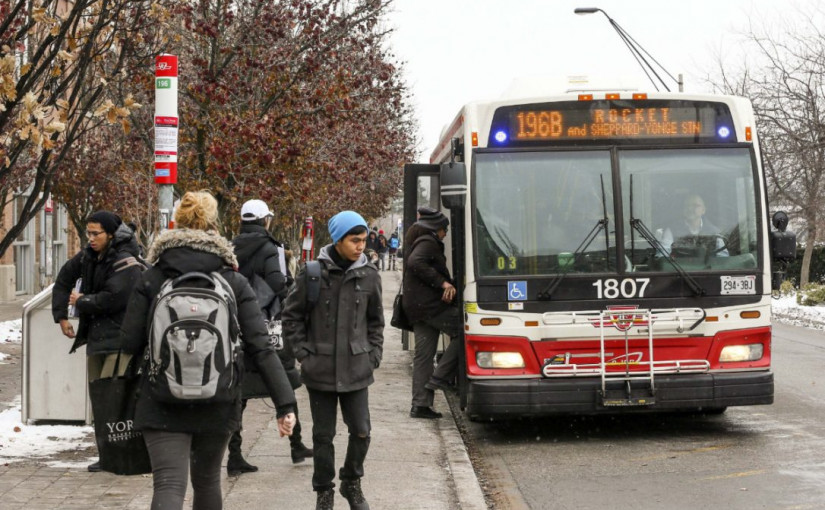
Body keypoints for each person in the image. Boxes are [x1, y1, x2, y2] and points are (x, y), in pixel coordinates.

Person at [119, 191, 296, 510]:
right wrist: (285, 403)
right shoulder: (232, 280)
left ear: (177, 225)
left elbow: (128, 342)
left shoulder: (153, 277)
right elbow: (261, 347)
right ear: (214, 226)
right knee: (207, 482)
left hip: (161, 399)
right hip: (218, 397)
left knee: (169, 485)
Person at [282, 210, 384, 510]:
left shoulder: (369, 275)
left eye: (364, 240)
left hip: (357, 369)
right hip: (320, 370)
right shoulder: (312, 273)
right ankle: (323, 491)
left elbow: (376, 322)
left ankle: (351, 482)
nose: (360, 246)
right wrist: (303, 353)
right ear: (338, 239)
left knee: (362, 431)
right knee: (323, 436)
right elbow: (292, 317)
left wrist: (373, 356)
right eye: (355, 240)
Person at [51, 210, 144, 473]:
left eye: (95, 234)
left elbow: (114, 298)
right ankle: (108, 456)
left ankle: (126, 455)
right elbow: (63, 279)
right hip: (98, 339)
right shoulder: (89, 256)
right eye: (87, 233)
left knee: (117, 397)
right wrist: (61, 317)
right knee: (101, 399)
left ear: (111, 234)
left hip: (120, 340)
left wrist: (81, 301)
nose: (90, 239)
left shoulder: (125, 259)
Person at [231, 199, 312, 475]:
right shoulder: (270, 247)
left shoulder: (231, 246)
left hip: (238, 324)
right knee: (283, 381)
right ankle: (296, 444)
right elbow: (278, 283)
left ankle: (234, 453)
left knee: (238, 391)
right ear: (266, 221)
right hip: (268, 326)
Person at [402, 207, 463, 420]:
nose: (445, 234)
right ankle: (441, 377)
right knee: (466, 331)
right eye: (444, 230)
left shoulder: (417, 239)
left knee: (423, 357)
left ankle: (420, 405)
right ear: (437, 229)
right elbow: (415, 263)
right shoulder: (428, 242)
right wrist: (443, 282)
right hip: (431, 306)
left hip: (417, 307)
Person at [659, 193, 728, 257]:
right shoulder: (672, 230)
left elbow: (723, 258)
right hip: (679, 269)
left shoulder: (714, 232)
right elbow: (662, 256)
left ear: (703, 210)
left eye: (695, 205)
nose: (690, 208)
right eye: (687, 206)